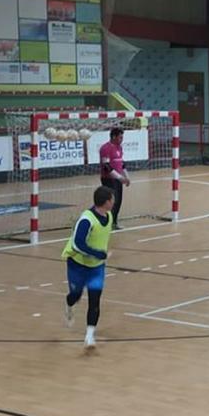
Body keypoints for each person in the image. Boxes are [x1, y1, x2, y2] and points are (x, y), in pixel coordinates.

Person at [63, 186, 116, 350]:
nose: (114, 201)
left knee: (95, 300)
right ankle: (69, 305)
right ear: (106, 202)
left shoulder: (109, 216)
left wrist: (99, 258)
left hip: (96, 268)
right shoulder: (86, 220)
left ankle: (89, 335)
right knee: (75, 295)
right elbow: (77, 244)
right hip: (77, 265)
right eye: (112, 199)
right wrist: (98, 253)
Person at [99, 127, 129, 229]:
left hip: (118, 180)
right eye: (120, 137)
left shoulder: (119, 148)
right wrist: (120, 177)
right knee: (111, 202)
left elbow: (122, 163)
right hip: (108, 179)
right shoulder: (105, 148)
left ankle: (114, 222)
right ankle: (107, 223)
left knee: (118, 201)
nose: (122, 139)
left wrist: (127, 176)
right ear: (113, 136)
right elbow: (106, 167)